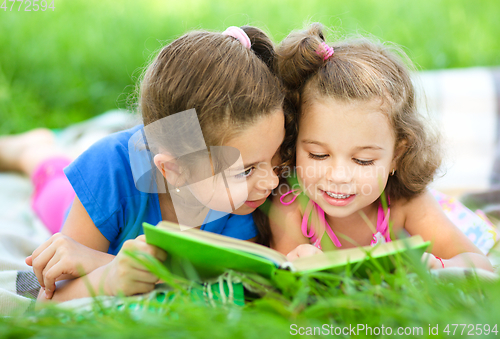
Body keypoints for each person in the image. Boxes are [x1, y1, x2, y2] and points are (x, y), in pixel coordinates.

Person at [0, 26, 287, 301]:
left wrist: (101, 263)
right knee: (51, 180)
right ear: (174, 170)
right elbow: (47, 301)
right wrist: (109, 277)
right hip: (83, 204)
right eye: (247, 170)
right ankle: (32, 151)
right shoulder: (109, 172)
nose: (272, 181)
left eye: (276, 157)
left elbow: (227, 279)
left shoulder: (242, 198)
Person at [268, 23, 493, 271]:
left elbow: (480, 264)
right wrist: (305, 263)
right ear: (294, 141)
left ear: (397, 154)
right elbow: (283, 281)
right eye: (318, 155)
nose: (339, 176)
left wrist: (434, 265)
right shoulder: (293, 209)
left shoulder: (404, 203)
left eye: (363, 160)